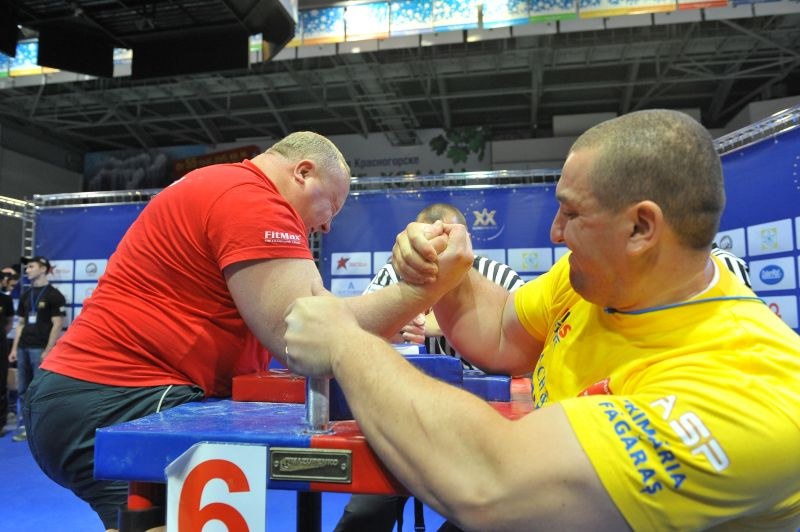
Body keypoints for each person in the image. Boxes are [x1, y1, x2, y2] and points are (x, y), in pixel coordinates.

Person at [283, 110, 800, 530]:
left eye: (572, 213)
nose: (555, 232)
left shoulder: (756, 390)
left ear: (641, 227)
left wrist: (345, 343)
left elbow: (493, 483)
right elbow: (503, 331)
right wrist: (445, 273)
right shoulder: (596, 283)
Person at [23, 132, 440, 531]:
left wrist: (383, 319)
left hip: (104, 394)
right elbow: (299, 337)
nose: (329, 226)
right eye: (331, 204)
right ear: (303, 173)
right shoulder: (252, 197)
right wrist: (423, 287)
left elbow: (320, 316)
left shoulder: (231, 189)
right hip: (120, 397)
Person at [336, 203, 525, 532]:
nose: (436, 247)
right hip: (403, 418)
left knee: (482, 518)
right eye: (428, 239)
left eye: (446, 238)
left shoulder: (499, 277)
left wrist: (442, 324)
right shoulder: (392, 275)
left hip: (479, 424)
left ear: (466, 243)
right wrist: (389, 324)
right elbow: (353, 332)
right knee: (364, 515)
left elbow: (527, 344)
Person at [9, 257, 65, 442]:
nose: (27, 270)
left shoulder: (54, 295)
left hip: (40, 348)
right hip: (24, 347)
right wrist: (15, 348)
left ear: (43, 269)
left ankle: (40, 429)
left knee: (39, 390)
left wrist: (48, 349)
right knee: (23, 389)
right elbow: (21, 324)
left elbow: (57, 325)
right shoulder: (26, 296)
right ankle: (26, 426)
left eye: (31, 267)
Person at [0, 265, 19, 436]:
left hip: (1, 344)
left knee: (2, 383)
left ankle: (1, 423)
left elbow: (9, 322)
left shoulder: (5, 300)